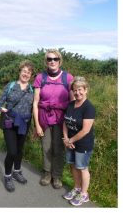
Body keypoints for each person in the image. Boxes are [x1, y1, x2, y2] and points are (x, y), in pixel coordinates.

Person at [0, 60, 34, 192]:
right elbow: (0, 103)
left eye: (29, 72)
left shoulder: (32, 89)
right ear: (20, 72)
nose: (26, 74)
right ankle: (8, 176)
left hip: (24, 123)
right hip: (9, 122)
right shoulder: (11, 86)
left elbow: (35, 108)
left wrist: (37, 126)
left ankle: (17, 171)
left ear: (31, 75)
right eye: (24, 71)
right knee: (12, 151)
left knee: (19, 150)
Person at [33, 49, 74, 189]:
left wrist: (72, 121)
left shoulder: (68, 78)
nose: (52, 61)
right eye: (49, 59)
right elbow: (35, 102)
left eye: (55, 59)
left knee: (58, 148)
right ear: (46, 61)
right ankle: (47, 174)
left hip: (62, 119)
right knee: (46, 147)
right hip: (44, 118)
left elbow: (72, 101)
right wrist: (37, 125)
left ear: (60, 61)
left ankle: (57, 176)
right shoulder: (40, 77)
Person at [62, 76, 95, 206]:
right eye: (75, 90)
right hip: (70, 142)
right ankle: (76, 188)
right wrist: (66, 138)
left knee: (82, 168)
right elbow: (65, 122)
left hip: (83, 144)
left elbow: (85, 130)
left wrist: (71, 140)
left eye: (80, 89)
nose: (77, 93)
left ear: (86, 90)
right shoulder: (70, 104)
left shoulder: (89, 107)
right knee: (73, 166)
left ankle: (84, 194)